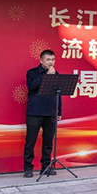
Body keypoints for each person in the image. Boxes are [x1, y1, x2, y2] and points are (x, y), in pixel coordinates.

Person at [24, 50, 62, 178]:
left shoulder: (56, 74)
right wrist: (47, 76)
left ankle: (45, 167)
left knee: (48, 142)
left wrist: (59, 111)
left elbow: (59, 95)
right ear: (41, 60)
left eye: (53, 59)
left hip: (50, 112)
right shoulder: (32, 73)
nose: (51, 62)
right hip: (34, 112)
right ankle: (28, 168)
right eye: (48, 59)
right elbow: (32, 86)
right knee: (30, 141)